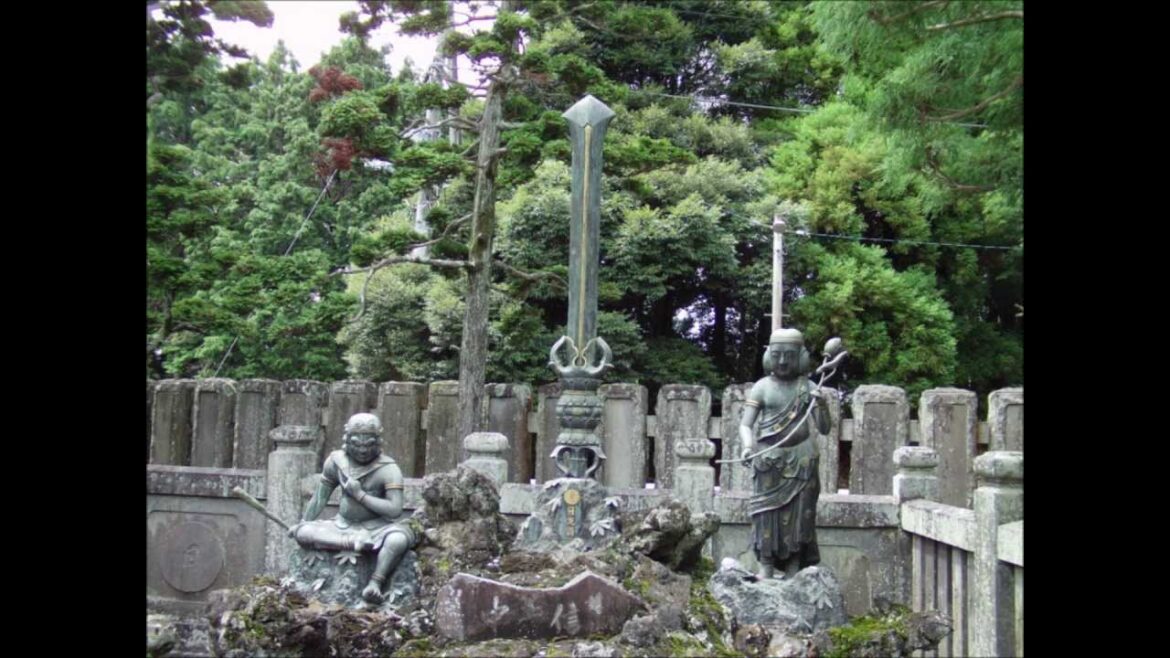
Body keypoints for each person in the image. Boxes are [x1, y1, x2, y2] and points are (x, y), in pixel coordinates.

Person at [290, 412, 416, 603]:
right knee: (304, 532)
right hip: (342, 526)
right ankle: (351, 542)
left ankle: (375, 583)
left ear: (378, 443)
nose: (363, 450)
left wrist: (360, 495)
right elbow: (320, 497)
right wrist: (303, 522)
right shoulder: (336, 462)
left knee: (398, 540)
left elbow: (394, 510)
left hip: (377, 528)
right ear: (347, 440)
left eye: (368, 445)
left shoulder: (389, 469)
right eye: (357, 444)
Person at [739, 328, 831, 579]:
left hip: (802, 459)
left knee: (800, 515)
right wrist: (747, 446)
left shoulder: (808, 387)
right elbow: (746, 424)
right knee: (766, 514)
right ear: (768, 355)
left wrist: (821, 404)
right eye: (777, 355)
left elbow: (824, 428)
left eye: (789, 356)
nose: (782, 361)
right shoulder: (762, 387)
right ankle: (766, 563)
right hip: (768, 459)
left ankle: (794, 564)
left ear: (800, 357)